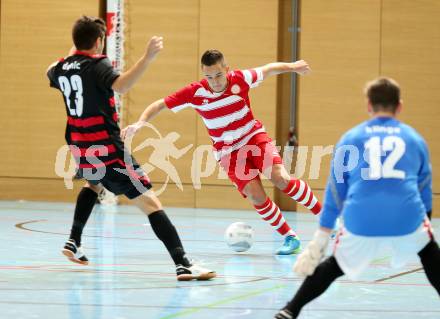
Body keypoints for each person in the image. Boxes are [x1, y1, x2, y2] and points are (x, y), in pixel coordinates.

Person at [47, 16, 215, 281]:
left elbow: (59, 63)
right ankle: (183, 263)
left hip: (80, 146)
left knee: (93, 183)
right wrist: (147, 57)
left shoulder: (60, 69)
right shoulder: (97, 64)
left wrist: (77, 47)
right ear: (99, 41)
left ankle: (73, 241)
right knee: (149, 201)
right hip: (107, 149)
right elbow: (122, 85)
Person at [121, 49, 322, 255]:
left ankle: (326, 218)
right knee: (256, 196)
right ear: (203, 74)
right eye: (209, 77)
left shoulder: (241, 79)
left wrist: (293, 66)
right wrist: (140, 123)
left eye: (218, 75)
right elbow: (160, 104)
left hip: (254, 138)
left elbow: (268, 69)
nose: (214, 81)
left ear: (226, 69)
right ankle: (290, 237)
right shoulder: (196, 93)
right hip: (228, 153)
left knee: (281, 179)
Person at [275, 77, 439, 318]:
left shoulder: (350, 138)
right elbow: (424, 187)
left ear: (368, 106)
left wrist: (320, 240)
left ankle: (290, 309)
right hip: (406, 217)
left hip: (361, 219)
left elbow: (335, 192)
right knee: (429, 253)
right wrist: (423, 223)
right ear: (400, 106)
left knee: (335, 265)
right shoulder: (415, 139)